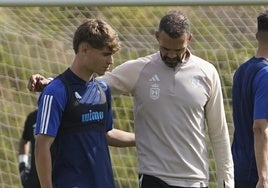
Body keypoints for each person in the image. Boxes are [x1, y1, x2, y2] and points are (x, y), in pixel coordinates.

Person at [28, 10, 234, 188]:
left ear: (189, 39)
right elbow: (85, 84)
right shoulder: (139, 69)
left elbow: (219, 133)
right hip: (153, 177)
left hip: (195, 179)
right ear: (157, 38)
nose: (171, 55)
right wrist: (50, 83)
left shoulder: (207, 73)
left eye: (177, 50)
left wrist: (227, 182)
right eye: (166, 49)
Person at [33, 18, 135, 188]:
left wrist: (141, 138)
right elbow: (42, 145)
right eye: (105, 54)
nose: (111, 61)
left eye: (112, 55)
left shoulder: (103, 89)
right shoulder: (55, 92)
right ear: (84, 49)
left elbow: (106, 133)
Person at [232, 11, 268, 188]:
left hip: (239, 167)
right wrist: (264, 176)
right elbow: (260, 127)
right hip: (257, 175)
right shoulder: (266, 73)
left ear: (256, 36)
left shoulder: (241, 70)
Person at [18, 109, 40, 188]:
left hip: (58, 180)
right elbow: (24, 141)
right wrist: (22, 164)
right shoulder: (33, 117)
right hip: (34, 181)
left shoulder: (65, 118)